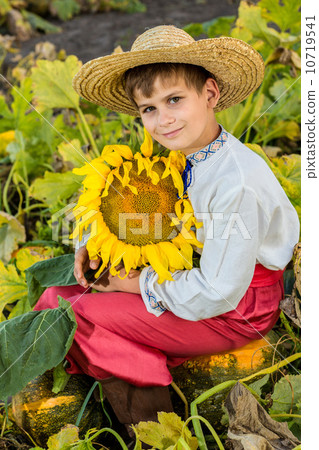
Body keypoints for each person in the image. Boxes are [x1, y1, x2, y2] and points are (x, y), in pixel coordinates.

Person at [34, 25, 300, 440]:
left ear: (210, 95)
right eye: (149, 109)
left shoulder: (235, 181)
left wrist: (135, 282)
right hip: (196, 280)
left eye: (174, 100)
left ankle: (159, 434)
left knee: (73, 315)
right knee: (57, 300)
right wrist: (88, 239)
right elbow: (119, 191)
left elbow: (219, 290)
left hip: (238, 307)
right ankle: (143, 391)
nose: (163, 120)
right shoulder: (179, 150)